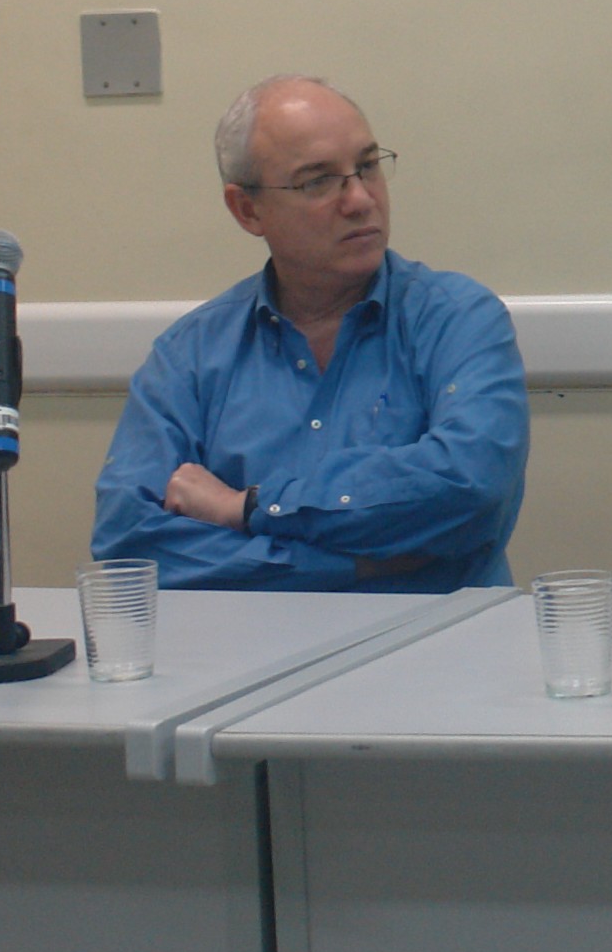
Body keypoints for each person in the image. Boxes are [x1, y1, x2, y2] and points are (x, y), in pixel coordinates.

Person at [92, 75, 528, 591]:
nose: (361, 199)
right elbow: (129, 543)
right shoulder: (190, 355)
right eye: (318, 181)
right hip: (251, 656)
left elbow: (470, 488)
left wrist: (245, 508)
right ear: (248, 210)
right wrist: (346, 567)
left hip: (442, 649)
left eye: (367, 166)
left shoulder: (458, 318)